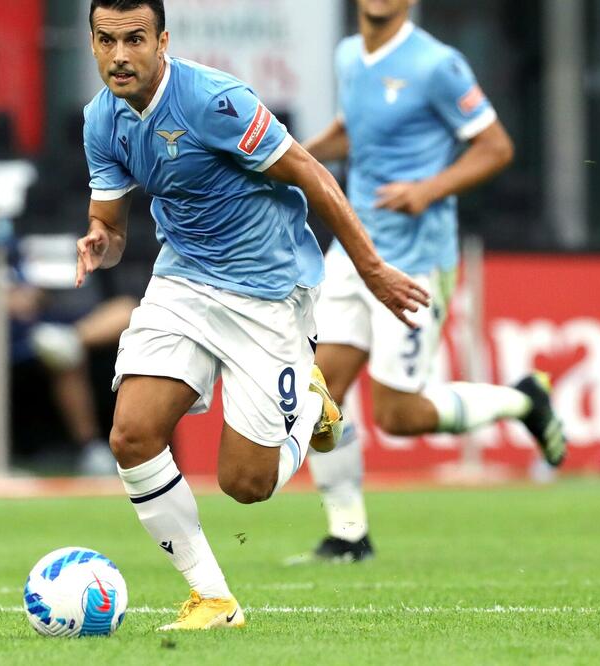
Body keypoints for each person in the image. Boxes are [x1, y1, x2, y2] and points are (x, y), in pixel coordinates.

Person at [77, 0, 428, 631]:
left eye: (135, 39)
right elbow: (113, 227)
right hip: (183, 282)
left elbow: (313, 174)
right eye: (107, 40)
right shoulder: (101, 119)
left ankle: (312, 409)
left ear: (163, 41)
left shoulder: (215, 101)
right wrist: (101, 240)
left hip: (268, 292)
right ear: (93, 42)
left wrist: (373, 270)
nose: (120, 56)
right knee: (131, 435)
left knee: (245, 484)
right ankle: (214, 599)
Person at [292, 0, 567, 564]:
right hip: (354, 251)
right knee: (319, 395)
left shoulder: (438, 65)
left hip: (416, 260)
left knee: (398, 415)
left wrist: (428, 189)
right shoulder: (349, 55)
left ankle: (523, 401)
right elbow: (353, 131)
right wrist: (289, 159)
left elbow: (496, 146)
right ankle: (349, 535)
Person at [0, 183, 134, 475]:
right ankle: (89, 447)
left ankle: (70, 338)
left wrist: (30, 296)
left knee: (127, 309)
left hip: (35, 325)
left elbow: (31, 287)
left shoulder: (4, 242)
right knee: (63, 359)